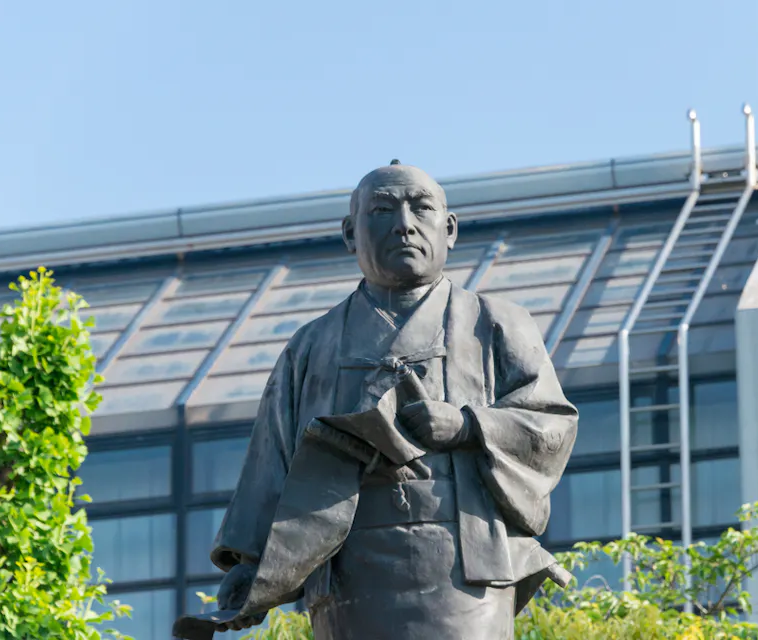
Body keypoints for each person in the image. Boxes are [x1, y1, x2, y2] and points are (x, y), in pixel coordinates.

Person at [201, 161, 578, 639]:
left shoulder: (496, 323)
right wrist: (250, 565)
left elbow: (551, 424)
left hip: (466, 566)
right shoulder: (311, 346)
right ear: (350, 234)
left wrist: (467, 426)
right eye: (382, 210)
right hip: (348, 572)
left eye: (421, 209)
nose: (404, 224)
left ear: (449, 229)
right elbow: (271, 461)